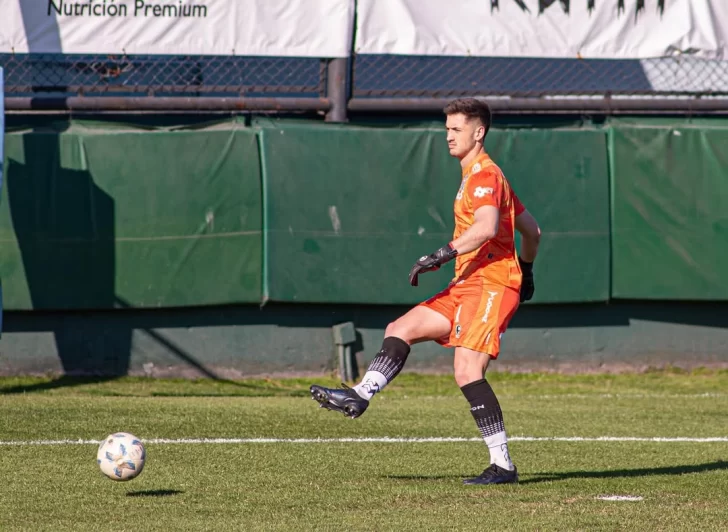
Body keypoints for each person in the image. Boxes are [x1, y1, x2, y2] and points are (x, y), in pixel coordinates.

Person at [310, 97, 541, 486]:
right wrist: (530, 270)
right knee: (401, 327)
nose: (448, 136)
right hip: (467, 283)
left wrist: (441, 254)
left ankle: (503, 465)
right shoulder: (479, 177)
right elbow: (533, 231)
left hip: (492, 283)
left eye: (456, 129)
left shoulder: (486, 176)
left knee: (467, 371)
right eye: (447, 128)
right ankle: (361, 394)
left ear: (478, 132)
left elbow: (485, 228)